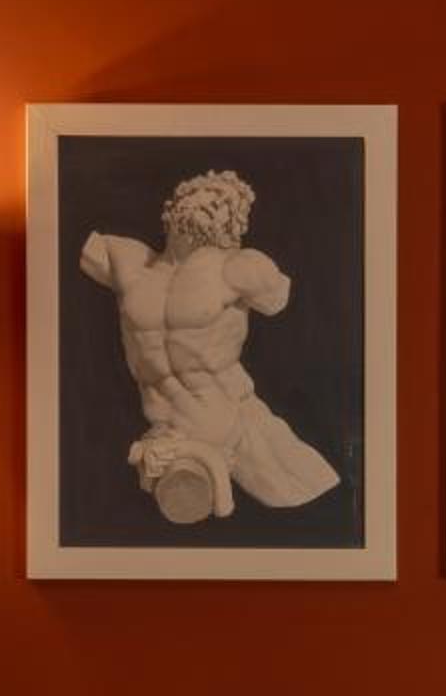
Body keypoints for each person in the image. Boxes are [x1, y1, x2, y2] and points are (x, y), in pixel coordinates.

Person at [79, 169, 339, 524]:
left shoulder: (240, 267)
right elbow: (51, 236)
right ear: (173, 204)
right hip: (163, 428)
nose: (210, 203)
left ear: (235, 219)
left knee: (304, 492)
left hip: (229, 419)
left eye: (223, 201)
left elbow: (277, 299)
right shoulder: (125, 259)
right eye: (201, 193)